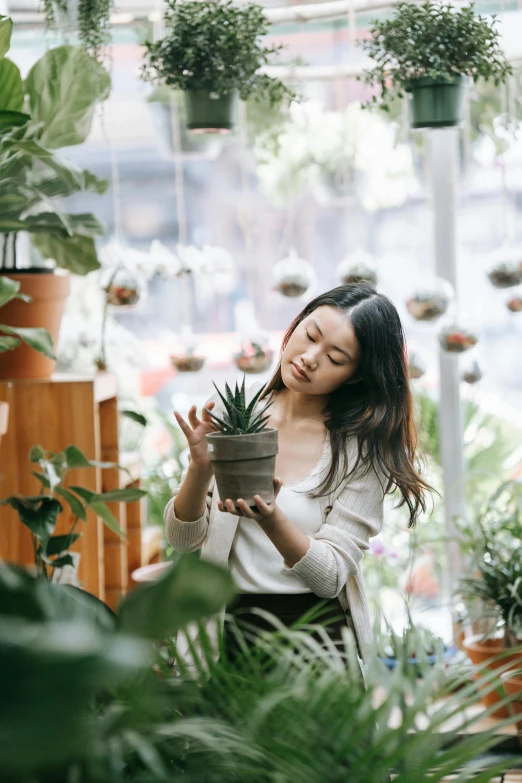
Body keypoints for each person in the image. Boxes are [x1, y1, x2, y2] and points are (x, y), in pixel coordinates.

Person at [165, 283, 432, 669]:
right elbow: (184, 539)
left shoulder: (362, 449)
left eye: (335, 358)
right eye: (309, 335)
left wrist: (272, 518)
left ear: (355, 376)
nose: (309, 358)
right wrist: (199, 468)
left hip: (314, 644)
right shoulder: (237, 415)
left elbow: (329, 578)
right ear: (295, 326)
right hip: (223, 631)